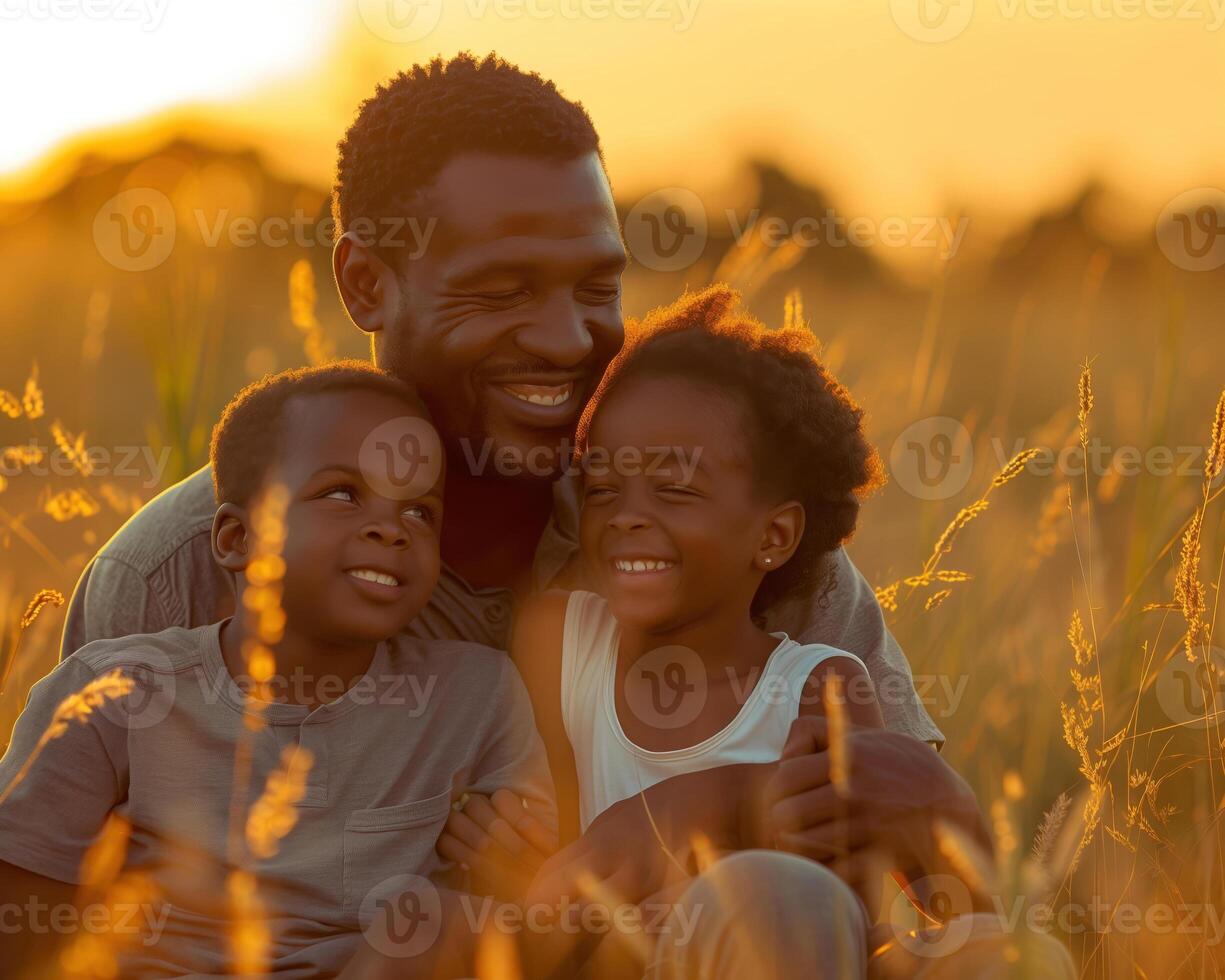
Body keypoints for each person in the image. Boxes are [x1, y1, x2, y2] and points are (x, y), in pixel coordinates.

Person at [59, 53, 1001, 973]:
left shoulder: (725, 539)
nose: (566, 339)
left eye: (596, 288)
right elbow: (73, 925)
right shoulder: (181, 572)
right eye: (501, 290)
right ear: (364, 284)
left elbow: (906, 868)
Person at [0, 362, 553, 977]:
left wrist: (521, 872)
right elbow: (25, 917)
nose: (391, 529)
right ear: (237, 539)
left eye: (421, 511)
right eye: (342, 493)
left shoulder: (475, 694)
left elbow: (521, 892)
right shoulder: (115, 694)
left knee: (442, 924)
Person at [443, 285, 887, 978]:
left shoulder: (821, 690)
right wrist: (509, 844)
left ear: (773, 536)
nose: (625, 515)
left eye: (674, 489)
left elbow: (847, 920)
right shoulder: (560, 643)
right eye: (601, 488)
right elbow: (553, 867)